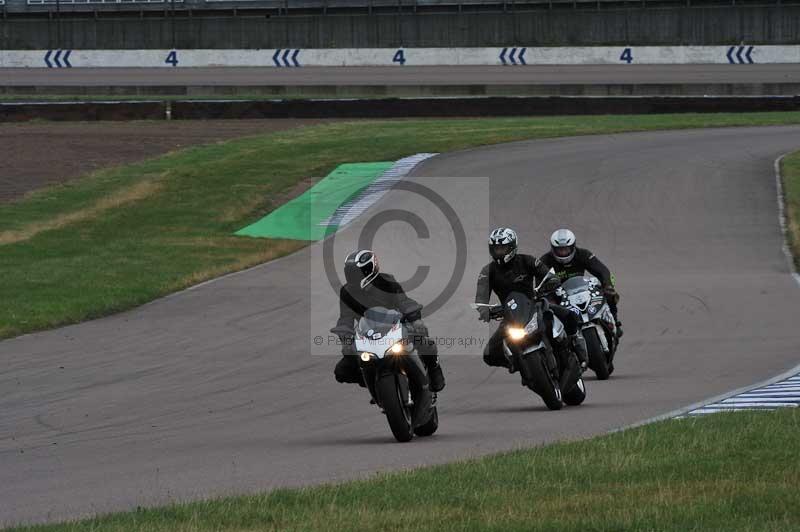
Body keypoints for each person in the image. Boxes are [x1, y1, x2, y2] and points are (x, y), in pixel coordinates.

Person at [331, 249, 445, 392]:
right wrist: (345, 337)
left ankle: (434, 371)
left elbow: (403, 301)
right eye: (350, 272)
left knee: (425, 343)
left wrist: (415, 319)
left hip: (396, 328)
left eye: (357, 272)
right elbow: (345, 318)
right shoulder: (346, 291)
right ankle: (377, 386)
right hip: (368, 335)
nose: (353, 276)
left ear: (370, 268)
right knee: (342, 371)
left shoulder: (387, 281)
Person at [475, 227, 588, 370]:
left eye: (502, 248)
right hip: (511, 316)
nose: (499, 252)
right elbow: (480, 298)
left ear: (512, 247)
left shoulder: (527, 261)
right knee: (489, 355)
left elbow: (548, 275)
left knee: (570, 315)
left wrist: (550, 282)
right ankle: (520, 365)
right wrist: (484, 310)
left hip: (535, 305)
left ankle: (577, 346)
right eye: (496, 248)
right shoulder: (487, 272)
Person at [540, 228, 623, 338]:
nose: (563, 253)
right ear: (553, 249)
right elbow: (539, 283)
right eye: (560, 250)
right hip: (559, 295)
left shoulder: (583, 254)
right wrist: (544, 295)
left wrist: (607, 284)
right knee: (546, 312)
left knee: (610, 293)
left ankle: (615, 322)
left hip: (582, 289)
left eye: (566, 249)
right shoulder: (545, 261)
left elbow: (603, 271)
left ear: (573, 246)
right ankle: (560, 340)